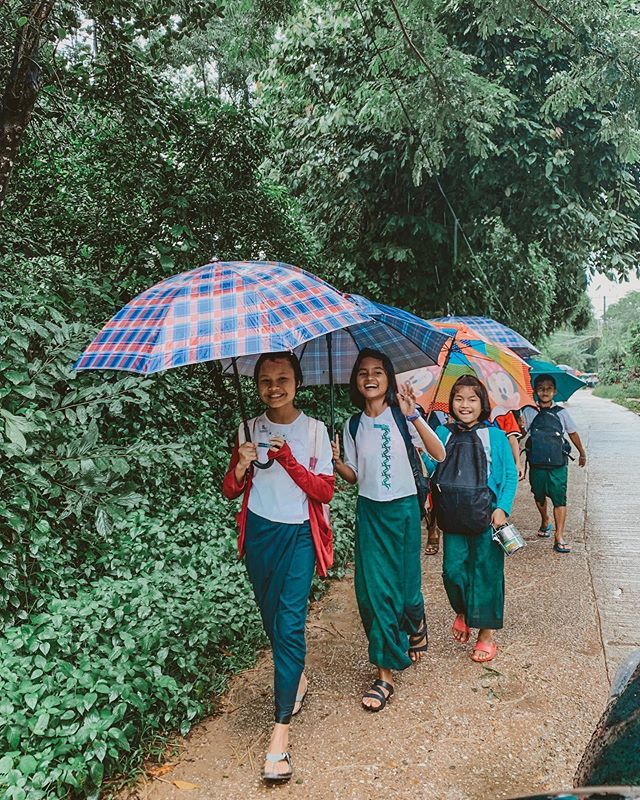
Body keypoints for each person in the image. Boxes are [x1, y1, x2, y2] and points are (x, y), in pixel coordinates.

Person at [222, 352, 334, 784]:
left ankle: (280, 733)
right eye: (265, 380)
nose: (274, 387)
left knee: (288, 626)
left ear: (297, 382)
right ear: (256, 385)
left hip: (300, 536)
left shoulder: (315, 431)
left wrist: (288, 457)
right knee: (272, 621)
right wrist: (241, 463)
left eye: (282, 379)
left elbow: (324, 491)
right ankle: (297, 679)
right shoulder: (247, 428)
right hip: (260, 536)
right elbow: (231, 490)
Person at [331, 349, 446, 711]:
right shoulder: (350, 425)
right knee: (373, 593)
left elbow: (439, 454)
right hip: (370, 513)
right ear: (355, 380)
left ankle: (416, 620)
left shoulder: (403, 417)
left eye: (378, 372)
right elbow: (354, 476)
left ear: (389, 378)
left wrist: (414, 416)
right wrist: (337, 463)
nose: (369, 377)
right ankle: (384, 675)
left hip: (405, 510)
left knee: (407, 588)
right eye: (362, 372)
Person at [423, 375, 518, 663]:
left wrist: (502, 507)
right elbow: (429, 466)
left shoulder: (496, 435)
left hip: (487, 515)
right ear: (450, 402)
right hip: (451, 517)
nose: (465, 405)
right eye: (459, 398)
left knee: (487, 574)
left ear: (482, 404)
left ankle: (486, 634)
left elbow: (510, 475)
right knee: (453, 572)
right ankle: (463, 611)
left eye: (472, 399)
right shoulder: (442, 432)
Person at [521, 374, 587, 553]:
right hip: (537, 463)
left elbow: (572, 433)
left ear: (554, 391)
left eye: (548, 388)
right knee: (539, 496)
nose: (545, 391)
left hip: (558, 463)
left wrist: (582, 452)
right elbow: (520, 434)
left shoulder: (561, 413)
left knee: (559, 497)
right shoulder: (528, 412)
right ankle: (545, 520)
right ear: (535, 391)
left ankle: (559, 535)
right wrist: (518, 425)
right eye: (541, 388)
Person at [495, 411, 525, 480]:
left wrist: (517, 463)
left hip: (500, 462)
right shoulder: (471, 412)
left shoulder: (504, 411)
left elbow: (512, 439)